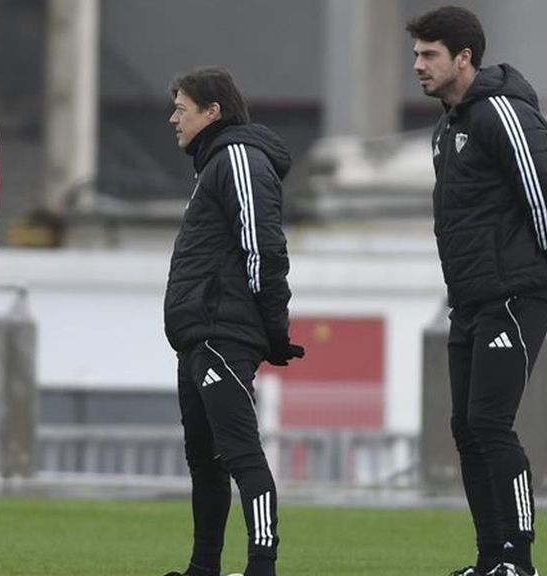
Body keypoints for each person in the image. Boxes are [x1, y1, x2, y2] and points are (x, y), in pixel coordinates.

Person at [405, 6, 547, 576]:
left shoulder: (501, 111)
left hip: (515, 292)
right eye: (416, 54)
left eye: (429, 54)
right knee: (464, 427)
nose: (418, 65)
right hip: (472, 298)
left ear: (464, 58)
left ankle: (519, 562)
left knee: (489, 423)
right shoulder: (447, 129)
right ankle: (489, 561)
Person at [161, 66, 304, 576]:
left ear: (212, 111)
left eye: (182, 107)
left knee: (242, 456)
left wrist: (275, 330)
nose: (173, 118)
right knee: (206, 460)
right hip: (198, 337)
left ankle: (261, 566)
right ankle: (204, 568)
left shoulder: (238, 157)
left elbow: (264, 246)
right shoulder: (213, 166)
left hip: (222, 334)